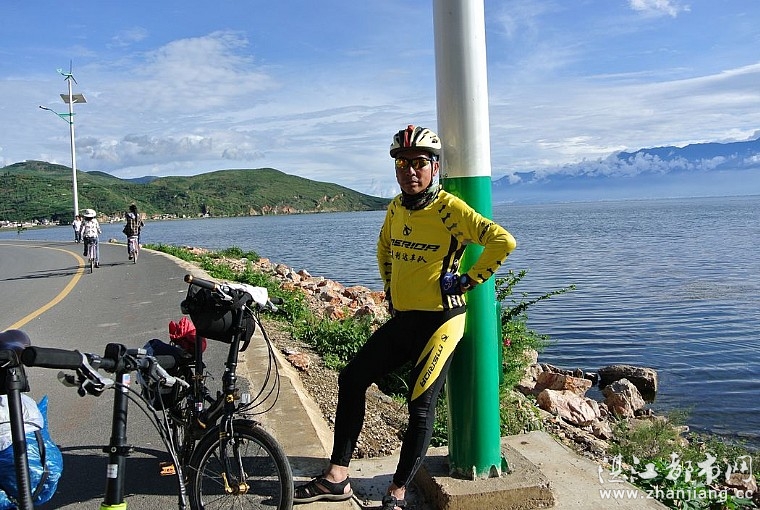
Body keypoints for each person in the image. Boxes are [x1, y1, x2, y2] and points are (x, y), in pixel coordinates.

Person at [293, 125, 517, 510]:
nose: (410, 171)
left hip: (441, 322)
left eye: (419, 163)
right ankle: (337, 477)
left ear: (434, 167)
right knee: (352, 378)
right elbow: (384, 248)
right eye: (402, 164)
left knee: (420, 406)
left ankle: (397, 492)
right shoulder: (397, 207)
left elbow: (502, 241)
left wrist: (468, 279)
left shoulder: (449, 209)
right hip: (405, 319)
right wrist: (390, 288)